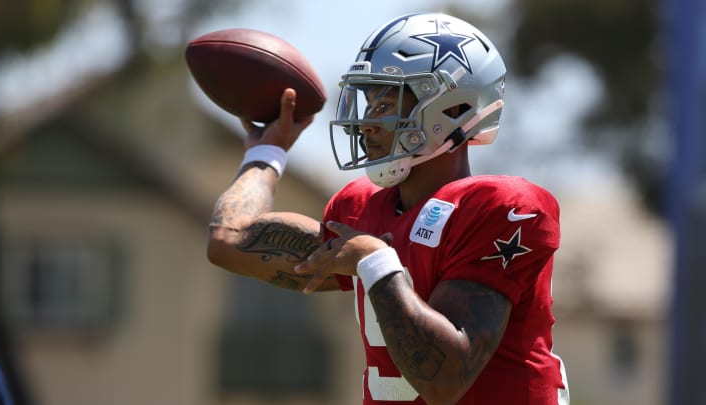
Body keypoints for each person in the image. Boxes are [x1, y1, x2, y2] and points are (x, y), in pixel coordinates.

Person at [207, 12, 569, 404]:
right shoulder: (361, 210)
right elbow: (229, 241)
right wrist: (266, 151)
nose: (366, 123)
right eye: (368, 101)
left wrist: (377, 262)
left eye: (387, 102)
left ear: (451, 108)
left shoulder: (499, 208)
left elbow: (445, 379)